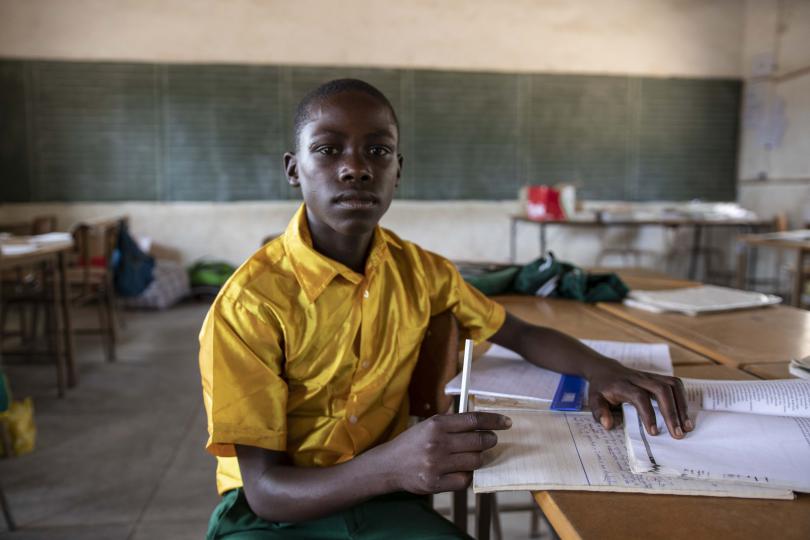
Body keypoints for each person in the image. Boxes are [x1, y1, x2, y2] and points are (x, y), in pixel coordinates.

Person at [199, 79, 692, 539]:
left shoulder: (421, 272)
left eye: (378, 150)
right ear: (293, 169)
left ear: (398, 170)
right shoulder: (251, 304)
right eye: (328, 150)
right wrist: (392, 465)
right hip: (275, 516)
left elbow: (518, 334)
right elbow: (266, 491)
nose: (356, 166)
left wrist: (604, 371)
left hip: (384, 501)